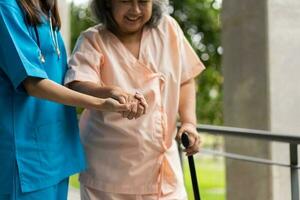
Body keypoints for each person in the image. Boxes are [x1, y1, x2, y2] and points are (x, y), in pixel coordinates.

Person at [0, 0, 145, 199]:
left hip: (57, 149)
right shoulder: (6, 7)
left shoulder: (45, 10)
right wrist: (101, 104)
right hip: (26, 157)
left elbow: (60, 77)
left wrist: (107, 92)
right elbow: (33, 83)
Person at [64, 0, 205, 199]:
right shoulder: (93, 40)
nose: (135, 10)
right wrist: (109, 92)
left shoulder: (168, 29)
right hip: (109, 175)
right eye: (125, 1)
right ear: (107, 4)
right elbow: (78, 83)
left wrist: (189, 123)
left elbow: (185, 80)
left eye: (143, 1)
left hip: (164, 172)